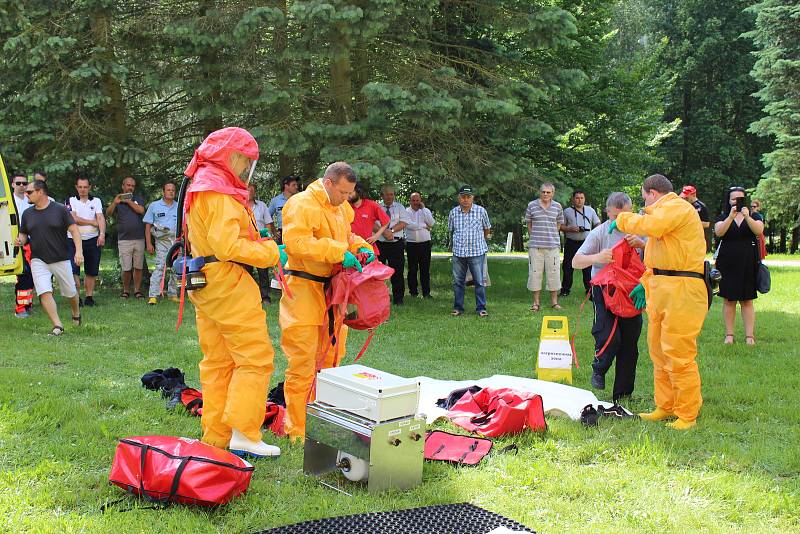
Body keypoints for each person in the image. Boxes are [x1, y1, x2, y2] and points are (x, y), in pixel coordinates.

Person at [183, 127, 284, 458]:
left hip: (205, 281)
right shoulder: (220, 191)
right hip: (226, 281)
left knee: (218, 362)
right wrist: (271, 253)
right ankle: (245, 433)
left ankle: (216, 436)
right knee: (254, 358)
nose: (246, 169)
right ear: (233, 156)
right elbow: (228, 246)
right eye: (246, 161)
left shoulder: (201, 186)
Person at [279, 162, 373, 441]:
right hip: (304, 289)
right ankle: (297, 429)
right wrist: (338, 252)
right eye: (343, 192)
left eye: (350, 194)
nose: (347, 198)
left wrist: (361, 246)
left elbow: (347, 237)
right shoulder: (301, 204)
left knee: (332, 356)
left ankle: (321, 418)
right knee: (303, 360)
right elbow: (296, 243)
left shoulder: (341, 208)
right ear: (328, 183)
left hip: (334, 292)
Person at [611, 174, 707, 430]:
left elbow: (653, 227)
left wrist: (621, 218)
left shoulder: (676, 208)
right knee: (659, 351)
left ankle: (687, 414)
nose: (643, 203)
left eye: (644, 197)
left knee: (678, 353)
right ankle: (665, 406)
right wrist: (645, 281)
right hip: (663, 288)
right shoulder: (664, 216)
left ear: (652, 192)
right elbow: (660, 257)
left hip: (683, 290)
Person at [573, 193, 646, 400]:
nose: (622, 221)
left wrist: (642, 245)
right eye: (617, 217)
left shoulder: (641, 230)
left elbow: (660, 255)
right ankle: (600, 367)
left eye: (626, 216)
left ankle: (623, 394)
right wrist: (598, 257)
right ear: (607, 212)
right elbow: (575, 262)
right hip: (604, 289)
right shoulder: (600, 232)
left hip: (632, 290)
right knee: (609, 336)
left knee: (629, 343)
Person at [15, 180, 83, 336]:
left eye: (29, 192)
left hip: (60, 259)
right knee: (44, 292)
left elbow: (74, 231)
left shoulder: (59, 209)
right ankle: (57, 325)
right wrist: (20, 240)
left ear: (40, 192)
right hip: (38, 260)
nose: (26, 194)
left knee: (70, 292)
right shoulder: (27, 213)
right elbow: (24, 235)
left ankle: (76, 312)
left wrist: (78, 252)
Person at [714, 187, 764, 345]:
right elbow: (719, 232)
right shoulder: (723, 216)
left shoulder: (754, 215)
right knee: (729, 300)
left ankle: (750, 336)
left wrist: (747, 216)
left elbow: (758, 230)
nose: (736, 201)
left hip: (748, 261)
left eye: (740, 198)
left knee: (747, 300)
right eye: (733, 199)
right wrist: (730, 217)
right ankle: (729, 335)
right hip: (727, 261)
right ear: (728, 201)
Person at [448, 185, 491, 317]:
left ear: (472, 198)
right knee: (458, 282)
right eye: (463, 197)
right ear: (459, 198)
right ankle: (458, 307)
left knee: (479, 281)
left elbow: (487, 229)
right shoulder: (453, 212)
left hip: (477, 252)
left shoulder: (481, 211)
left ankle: (481, 308)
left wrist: (479, 241)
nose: (465, 200)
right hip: (458, 252)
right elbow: (451, 230)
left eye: (468, 197)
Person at [66, 178, 105, 307]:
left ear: (89, 187)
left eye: (85, 187)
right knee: (74, 270)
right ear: (76, 187)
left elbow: (100, 218)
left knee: (91, 270)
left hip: (92, 239)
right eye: (80, 187)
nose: (83, 190)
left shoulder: (96, 201)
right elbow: (73, 218)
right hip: (74, 240)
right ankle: (77, 297)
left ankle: (89, 297)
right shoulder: (70, 200)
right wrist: (92, 222)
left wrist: (102, 234)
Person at [525, 182, 565, 311]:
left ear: (552, 193)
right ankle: (536, 303)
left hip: (552, 246)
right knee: (535, 274)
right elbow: (529, 224)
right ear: (540, 192)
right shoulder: (532, 205)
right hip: (535, 246)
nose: (545, 194)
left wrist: (552, 235)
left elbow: (559, 224)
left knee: (554, 274)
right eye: (543, 192)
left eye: (548, 192)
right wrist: (534, 237)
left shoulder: (558, 206)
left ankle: (554, 302)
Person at [106, 176, 146, 299]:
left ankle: (137, 290)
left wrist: (128, 201)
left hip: (139, 238)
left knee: (138, 267)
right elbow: (108, 213)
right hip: (124, 239)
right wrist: (115, 202)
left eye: (132, 186)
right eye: (128, 185)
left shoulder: (137, 199)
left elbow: (141, 211)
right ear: (123, 186)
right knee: (126, 268)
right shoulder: (117, 200)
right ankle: (126, 290)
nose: (130, 188)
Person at [143, 182, 179, 305]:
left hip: (175, 242)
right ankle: (153, 295)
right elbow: (148, 226)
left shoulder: (179, 207)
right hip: (161, 241)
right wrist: (148, 244)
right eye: (168, 190)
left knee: (175, 267)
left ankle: (172, 293)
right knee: (160, 266)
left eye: (173, 190)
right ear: (163, 191)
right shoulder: (154, 206)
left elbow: (185, 225)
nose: (171, 192)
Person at [561, 189, 600, 297]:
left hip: (586, 242)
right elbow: (561, 226)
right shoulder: (567, 211)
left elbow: (597, 223)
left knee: (587, 266)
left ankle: (589, 290)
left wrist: (594, 234)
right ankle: (565, 290)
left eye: (582, 198)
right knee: (568, 266)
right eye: (577, 198)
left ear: (584, 199)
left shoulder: (590, 210)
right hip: (571, 242)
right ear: (573, 199)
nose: (579, 200)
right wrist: (570, 228)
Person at [378, 185, 409, 305]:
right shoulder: (377, 207)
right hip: (380, 243)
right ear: (382, 196)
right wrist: (383, 232)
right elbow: (372, 222)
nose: (390, 197)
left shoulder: (400, 207)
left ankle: (398, 299)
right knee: (377, 273)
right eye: (387, 194)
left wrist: (391, 231)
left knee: (398, 272)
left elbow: (404, 221)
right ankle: (378, 298)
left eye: (392, 194)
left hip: (396, 244)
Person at [245, 183, 276, 304]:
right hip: (246, 243)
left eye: (252, 189)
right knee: (246, 272)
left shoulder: (262, 206)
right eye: (248, 189)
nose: (250, 191)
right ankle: (249, 297)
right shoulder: (238, 206)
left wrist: (268, 239)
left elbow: (268, 224)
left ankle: (265, 297)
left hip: (260, 242)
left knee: (263, 271)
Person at [11, 174, 34, 318]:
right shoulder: (8, 201)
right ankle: (20, 309)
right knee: (23, 275)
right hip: (16, 243)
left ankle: (28, 304)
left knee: (31, 275)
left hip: (31, 242)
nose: (21, 185)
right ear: (12, 184)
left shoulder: (30, 200)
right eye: (18, 183)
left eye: (24, 183)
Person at [405, 192, 435, 299]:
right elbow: (409, 225)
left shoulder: (425, 211)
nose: (415, 203)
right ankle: (413, 292)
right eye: (413, 200)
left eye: (417, 200)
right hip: (411, 244)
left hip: (425, 244)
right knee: (412, 269)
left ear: (420, 200)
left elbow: (431, 223)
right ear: (410, 201)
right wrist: (423, 226)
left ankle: (426, 293)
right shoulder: (406, 211)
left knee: (425, 269)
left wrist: (424, 210)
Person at [348, 182, 389, 254]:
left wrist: (376, 236)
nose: (348, 195)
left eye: (350, 193)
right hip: (350, 249)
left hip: (367, 248)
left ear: (359, 192)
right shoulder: (345, 205)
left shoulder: (372, 205)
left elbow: (386, 221)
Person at [268, 176, 299, 243]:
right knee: (282, 252)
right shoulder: (275, 200)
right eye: (293, 185)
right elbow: (268, 216)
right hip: (282, 232)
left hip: (297, 231)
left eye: (296, 185)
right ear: (286, 186)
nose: (296, 187)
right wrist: (274, 231)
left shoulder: (300, 198)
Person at [680, 185, 711, 252]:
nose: (685, 199)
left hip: (696, 239)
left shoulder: (701, 206)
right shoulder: (686, 205)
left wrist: (690, 223)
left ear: (693, 195)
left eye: (687, 198)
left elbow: (707, 224)